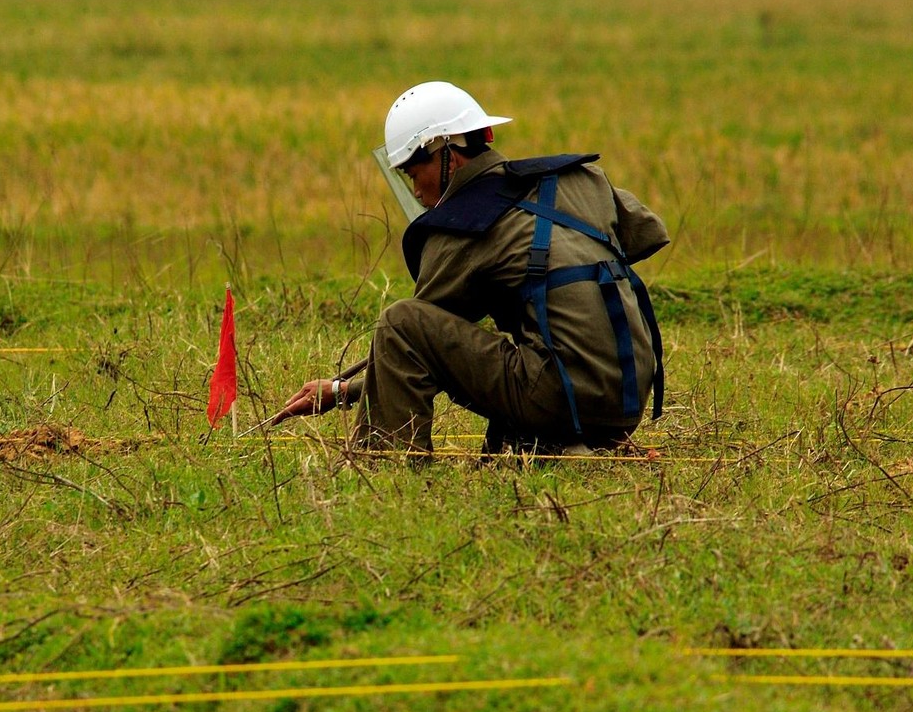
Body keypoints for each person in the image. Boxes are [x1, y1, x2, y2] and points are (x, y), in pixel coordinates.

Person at [274, 81, 669, 455]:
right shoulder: (581, 178)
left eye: (414, 173)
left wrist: (341, 391)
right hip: (631, 398)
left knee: (400, 322)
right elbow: (648, 233)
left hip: (564, 401)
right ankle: (554, 441)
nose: (415, 191)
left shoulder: (462, 224)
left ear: (446, 151)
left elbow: (411, 345)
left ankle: (383, 470)